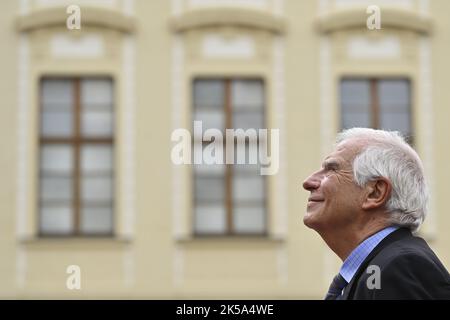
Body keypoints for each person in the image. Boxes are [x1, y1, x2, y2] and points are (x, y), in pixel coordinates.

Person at [302, 128, 450, 299]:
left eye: (332, 170)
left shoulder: (399, 267)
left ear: (375, 193)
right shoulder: (380, 269)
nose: (308, 182)